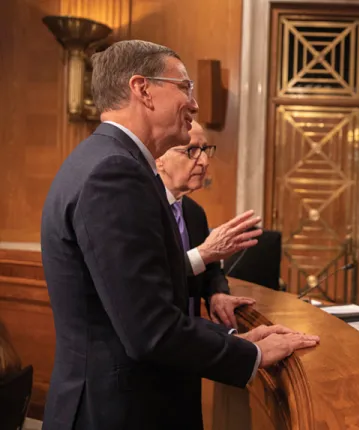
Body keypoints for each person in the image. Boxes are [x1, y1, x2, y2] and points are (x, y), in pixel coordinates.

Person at [40, 40, 319, 430]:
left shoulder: (108, 161)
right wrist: (247, 354)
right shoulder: (114, 173)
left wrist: (238, 341)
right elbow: (150, 330)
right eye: (185, 87)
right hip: (120, 411)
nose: (195, 103)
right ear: (143, 90)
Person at [157, 120, 255, 328]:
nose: (203, 161)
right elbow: (155, 276)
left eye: (205, 150)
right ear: (159, 159)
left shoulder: (194, 212)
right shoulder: (142, 208)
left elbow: (211, 268)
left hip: (190, 343)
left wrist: (217, 293)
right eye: (191, 150)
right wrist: (203, 253)